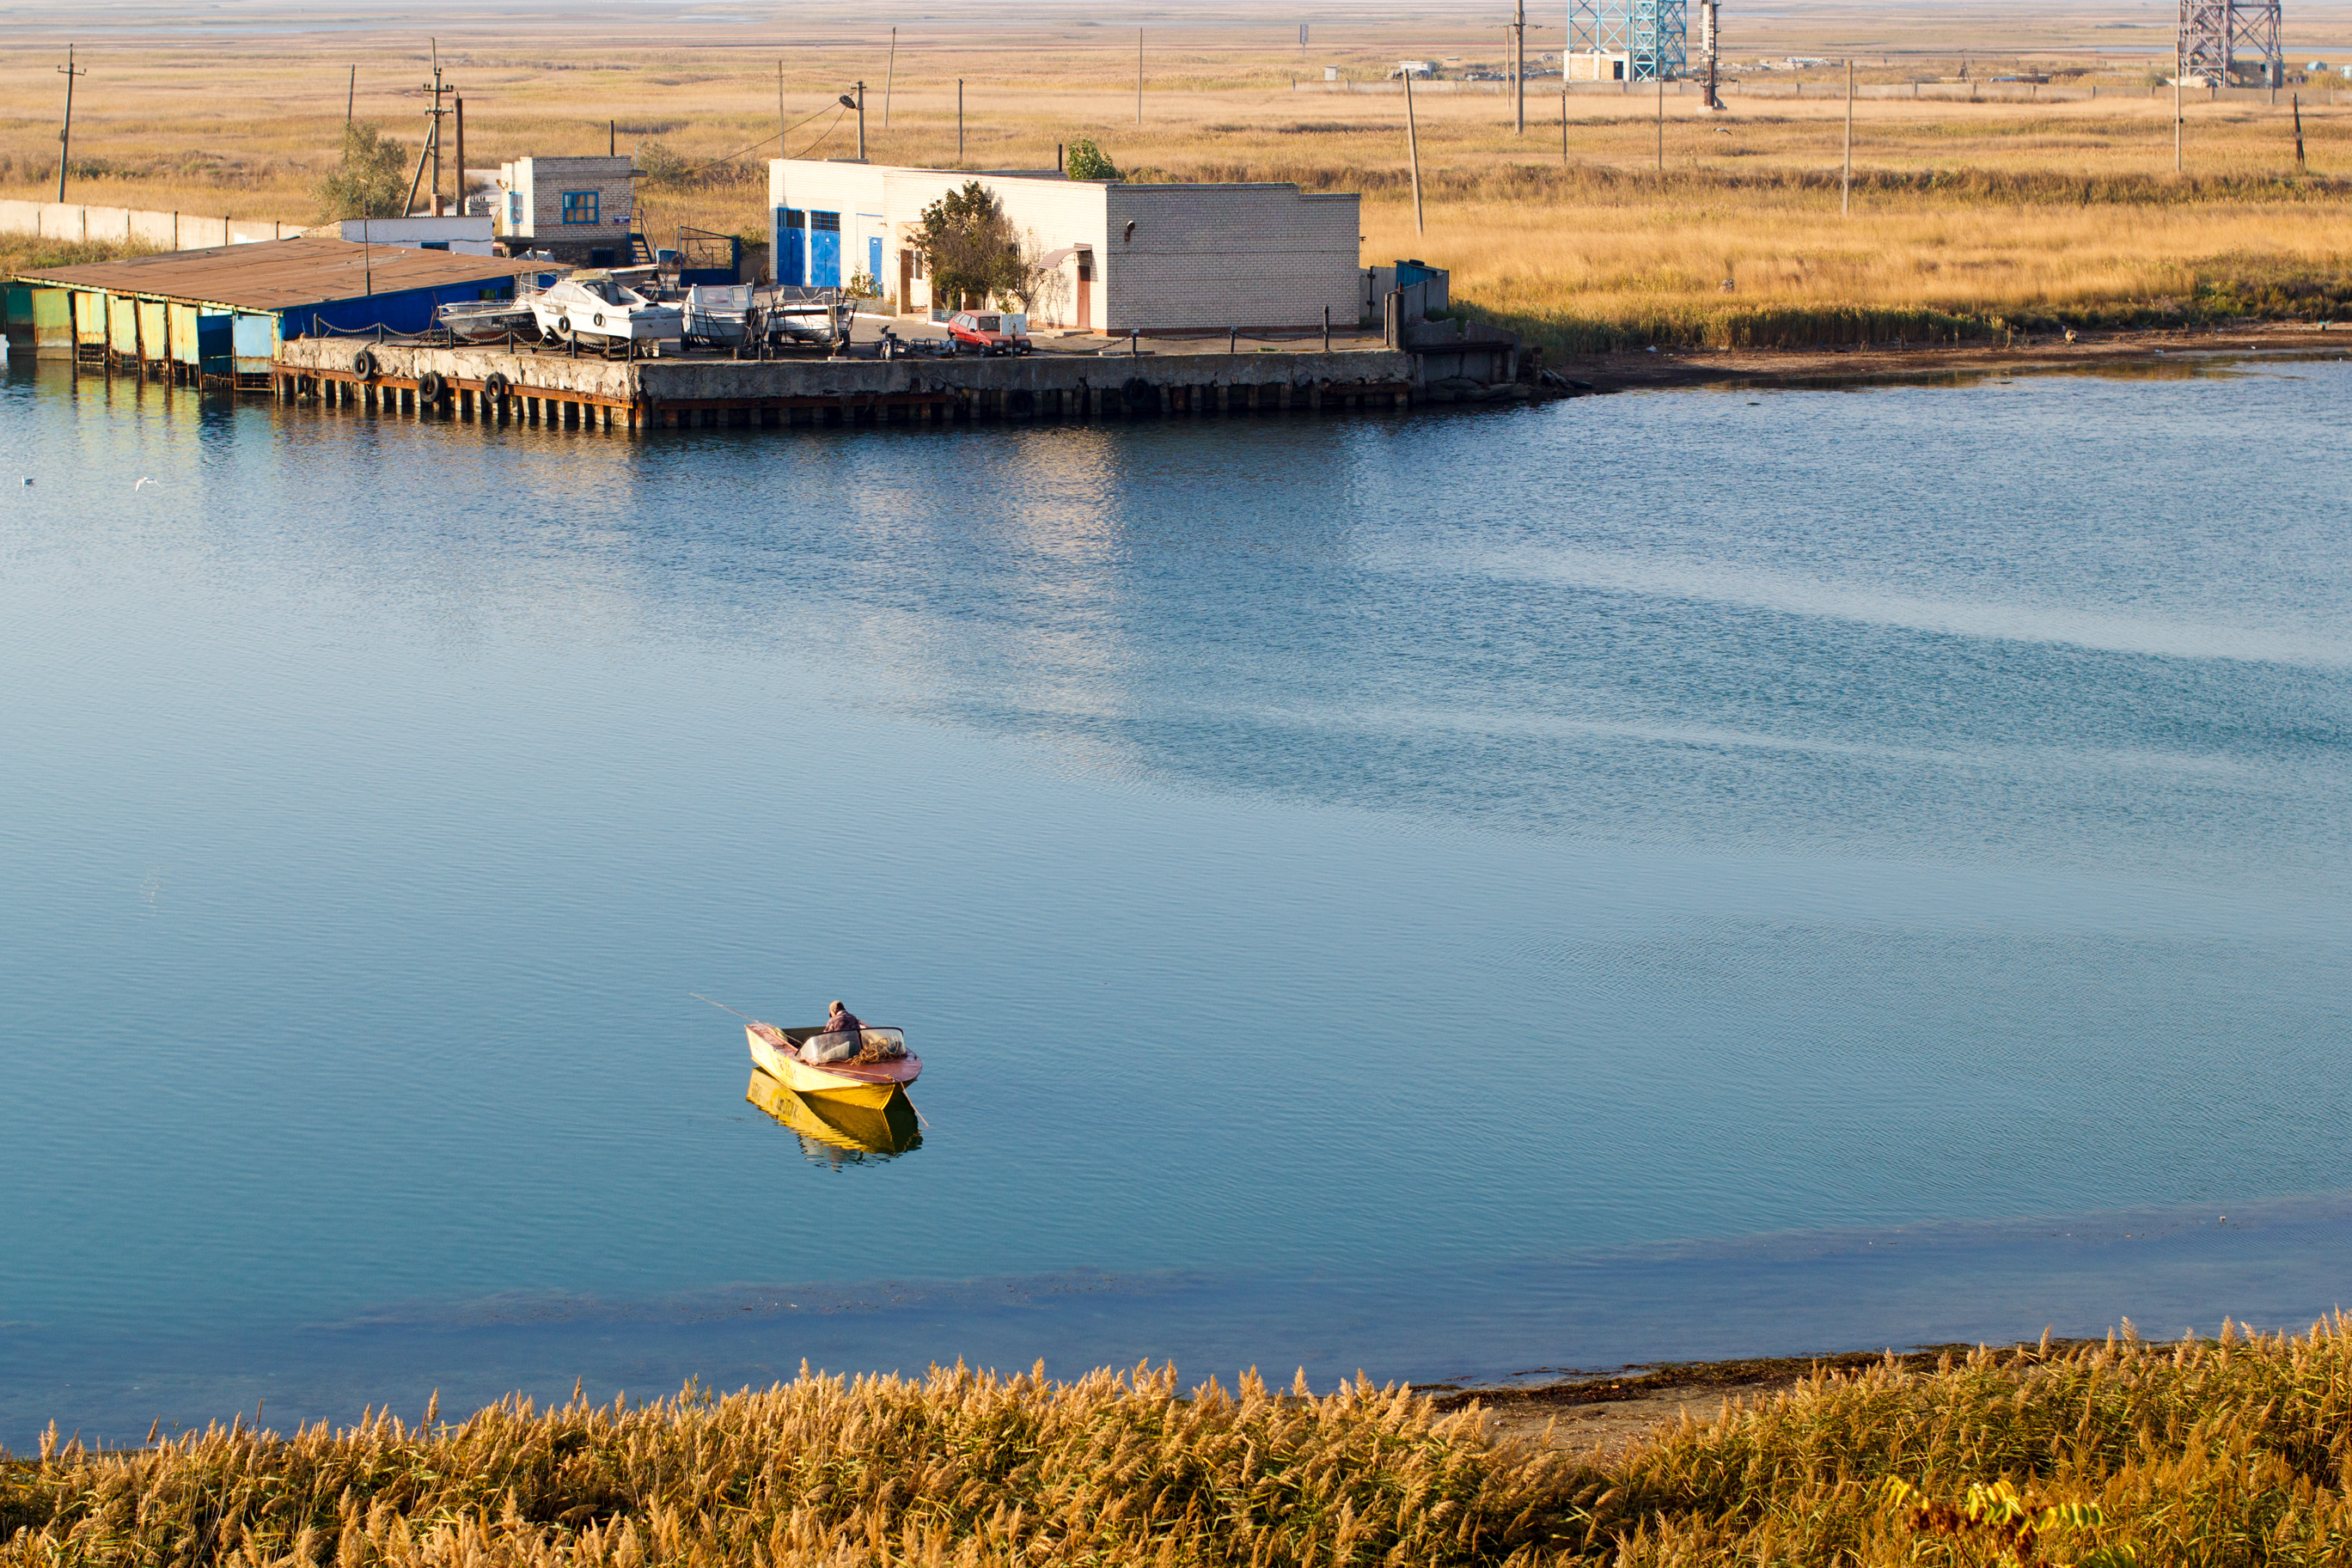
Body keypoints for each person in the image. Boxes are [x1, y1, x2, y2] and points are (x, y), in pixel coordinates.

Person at [800, 1000, 864, 1065]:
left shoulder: (833, 1020)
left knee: (820, 1056)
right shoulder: (853, 1018)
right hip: (856, 1051)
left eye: (830, 1014)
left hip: (842, 1052)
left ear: (834, 1011)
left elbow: (825, 1038)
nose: (831, 1016)